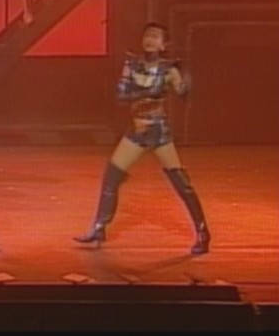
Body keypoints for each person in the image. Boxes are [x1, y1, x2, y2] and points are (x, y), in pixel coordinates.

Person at [74, 23, 210, 255]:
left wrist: (183, 81)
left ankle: (203, 232)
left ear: (163, 44)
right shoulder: (132, 64)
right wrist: (148, 91)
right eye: (147, 35)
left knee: (180, 182)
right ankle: (99, 228)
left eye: (155, 37)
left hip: (158, 131)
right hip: (136, 130)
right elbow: (121, 95)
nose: (149, 40)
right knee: (112, 176)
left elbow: (183, 94)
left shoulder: (168, 69)